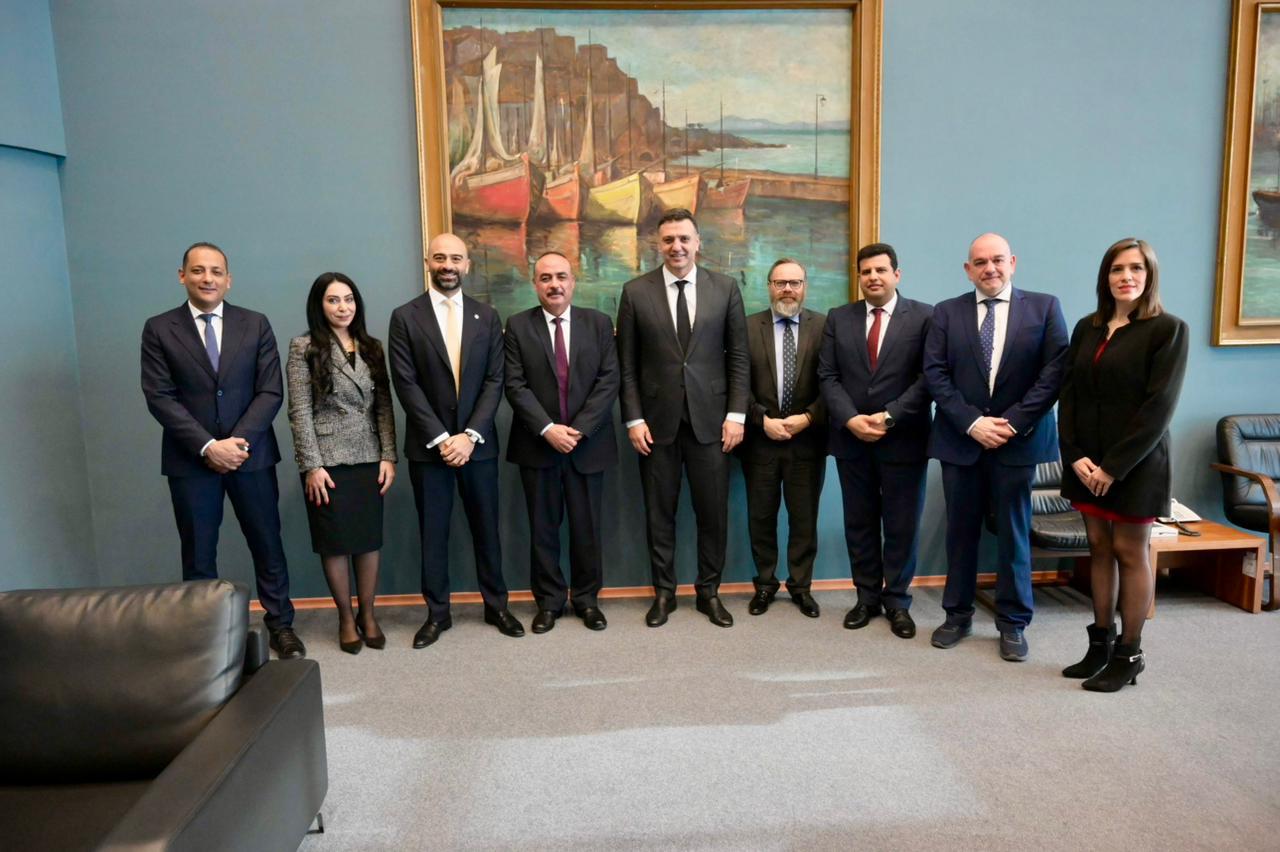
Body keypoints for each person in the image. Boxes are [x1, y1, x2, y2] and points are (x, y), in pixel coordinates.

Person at [141, 242, 304, 658]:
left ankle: (281, 625)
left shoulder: (255, 323)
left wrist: (237, 443)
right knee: (198, 552)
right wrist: (208, 446)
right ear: (182, 276)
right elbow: (159, 396)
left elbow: (270, 391)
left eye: (216, 271)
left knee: (267, 544)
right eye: (198, 270)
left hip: (252, 457)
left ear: (228, 280)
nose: (207, 278)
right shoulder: (159, 329)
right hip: (190, 461)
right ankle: (205, 637)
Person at [923, 233, 1068, 661]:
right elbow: (935, 373)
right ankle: (957, 615)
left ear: (1013, 262)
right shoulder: (946, 312)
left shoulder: (1044, 307)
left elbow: (1054, 373)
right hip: (962, 439)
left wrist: (1012, 424)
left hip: (1017, 441)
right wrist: (972, 423)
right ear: (968, 269)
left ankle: (1013, 623)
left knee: (1014, 533)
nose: (990, 268)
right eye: (981, 262)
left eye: (998, 260)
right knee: (960, 533)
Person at [1057, 238, 1188, 691]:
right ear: (1105, 277)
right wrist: (1075, 456)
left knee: (1130, 552)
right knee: (1098, 549)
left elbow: (1159, 408)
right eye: (1117, 269)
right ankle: (1100, 645)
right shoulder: (1087, 327)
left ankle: (1129, 653)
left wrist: (1112, 468)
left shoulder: (1168, 329)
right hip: (1086, 463)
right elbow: (1069, 396)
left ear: (1149, 276)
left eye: (1136, 268)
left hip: (1135, 465)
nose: (1126, 277)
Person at [615, 208, 749, 627]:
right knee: (660, 515)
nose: (677, 247)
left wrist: (737, 415)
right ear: (658, 244)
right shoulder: (635, 292)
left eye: (684, 239)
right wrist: (634, 419)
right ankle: (664, 594)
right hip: (656, 426)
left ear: (698, 242)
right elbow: (626, 365)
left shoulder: (725, 288)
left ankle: (709, 593)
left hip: (714, 424)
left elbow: (739, 358)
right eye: (669, 239)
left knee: (713, 514)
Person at [388, 233, 523, 648]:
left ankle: (497, 606)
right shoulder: (405, 317)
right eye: (440, 258)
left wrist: (470, 436)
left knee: (488, 530)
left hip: (478, 446)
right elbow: (406, 383)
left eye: (456, 258)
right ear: (428, 262)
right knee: (433, 534)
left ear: (467, 265)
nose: (448, 265)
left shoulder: (488, 316)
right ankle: (437, 614)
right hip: (430, 450)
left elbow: (495, 380)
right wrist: (444, 438)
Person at [818, 243, 933, 638]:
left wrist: (889, 416)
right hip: (852, 440)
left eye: (881, 270)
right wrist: (850, 419)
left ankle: (897, 601)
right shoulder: (839, 318)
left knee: (902, 525)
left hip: (904, 438)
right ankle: (866, 598)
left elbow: (929, 377)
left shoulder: (924, 317)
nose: (873, 277)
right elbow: (828, 376)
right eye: (866, 271)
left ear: (896, 274)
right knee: (860, 523)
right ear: (859, 277)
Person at [504, 251, 619, 633]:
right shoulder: (517, 326)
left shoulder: (599, 323)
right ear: (535, 284)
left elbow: (609, 380)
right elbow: (515, 385)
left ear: (573, 281)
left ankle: (587, 600)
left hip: (589, 446)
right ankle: (549, 602)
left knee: (587, 530)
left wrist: (580, 429)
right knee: (542, 530)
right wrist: (548, 429)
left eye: (561, 277)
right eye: (546, 278)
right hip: (538, 445)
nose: (554, 284)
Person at [285, 272, 397, 654]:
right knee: (335, 544)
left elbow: (384, 406)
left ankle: (368, 615)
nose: (342, 307)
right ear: (319, 305)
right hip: (327, 462)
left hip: (368, 458)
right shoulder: (303, 347)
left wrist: (388, 455)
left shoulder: (372, 347)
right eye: (333, 300)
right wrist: (311, 466)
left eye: (348, 299)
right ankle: (346, 619)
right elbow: (299, 411)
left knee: (368, 541)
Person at [740, 258, 827, 618]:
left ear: (805, 286)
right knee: (761, 518)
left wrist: (807, 418)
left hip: (807, 441)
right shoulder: (747, 327)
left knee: (804, 520)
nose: (787, 289)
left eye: (794, 282)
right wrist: (762, 420)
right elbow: (736, 383)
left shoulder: (824, 327)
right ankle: (764, 584)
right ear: (769, 287)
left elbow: (834, 382)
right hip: (760, 442)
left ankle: (801, 587)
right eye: (780, 283)